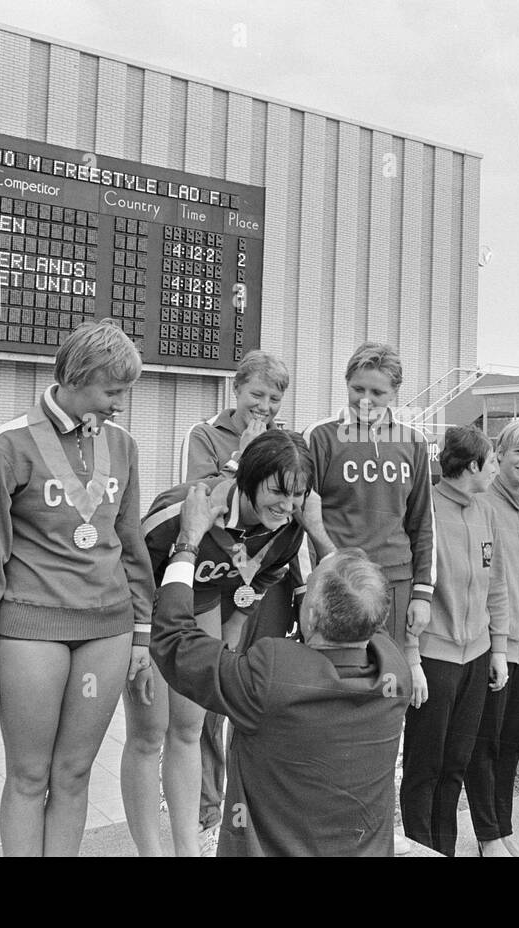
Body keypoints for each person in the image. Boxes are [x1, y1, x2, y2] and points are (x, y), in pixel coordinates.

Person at [0, 320, 154, 857]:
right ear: (79, 376)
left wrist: (141, 632)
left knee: (74, 772)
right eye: (113, 391)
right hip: (30, 629)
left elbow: (130, 543)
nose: (120, 404)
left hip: (107, 630)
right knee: (28, 774)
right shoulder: (6, 445)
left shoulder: (123, 445)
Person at [149, 481, 411, 856]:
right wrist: (318, 533)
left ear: (312, 615)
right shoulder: (394, 672)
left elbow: (174, 642)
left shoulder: (272, 675)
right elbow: (364, 604)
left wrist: (188, 542)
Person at [125, 429, 328, 857]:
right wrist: (139, 642)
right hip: (148, 610)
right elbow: (131, 567)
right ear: (249, 479)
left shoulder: (290, 527)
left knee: (190, 727)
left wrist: (236, 623)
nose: (287, 506)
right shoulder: (184, 508)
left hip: (202, 606)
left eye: (297, 496)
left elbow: (268, 572)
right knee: (148, 733)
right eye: (277, 492)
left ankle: (187, 849)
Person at [177, 349, 294, 855]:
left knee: (250, 692)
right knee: (208, 694)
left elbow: (290, 510)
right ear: (236, 391)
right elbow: (201, 495)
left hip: (258, 579)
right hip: (209, 577)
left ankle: (245, 808)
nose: (263, 406)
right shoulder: (204, 434)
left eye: (273, 398)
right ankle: (206, 809)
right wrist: (242, 458)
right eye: (256, 395)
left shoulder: (287, 442)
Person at [400, 426, 507, 857]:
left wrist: (497, 648)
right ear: (473, 466)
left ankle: (443, 849)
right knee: (424, 768)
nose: (496, 468)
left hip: (477, 655)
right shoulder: (425, 510)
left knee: (455, 765)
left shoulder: (485, 511)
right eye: (493, 461)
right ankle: (420, 848)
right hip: (434, 658)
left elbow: (494, 584)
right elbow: (410, 588)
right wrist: (411, 657)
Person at [302, 341, 435, 650]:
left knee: (391, 677)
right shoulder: (320, 436)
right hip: (339, 581)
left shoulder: (413, 442)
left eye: (377, 393)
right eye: (357, 389)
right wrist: (309, 583)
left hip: (396, 580)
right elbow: (303, 517)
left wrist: (423, 592)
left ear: (394, 393)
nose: (365, 400)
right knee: (337, 681)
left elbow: (423, 520)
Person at [464, 419, 519, 857]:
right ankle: (486, 835)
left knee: (511, 744)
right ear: (499, 454)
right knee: (485, 742)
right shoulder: (480, 504)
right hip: (491, 644)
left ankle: (502, 828)